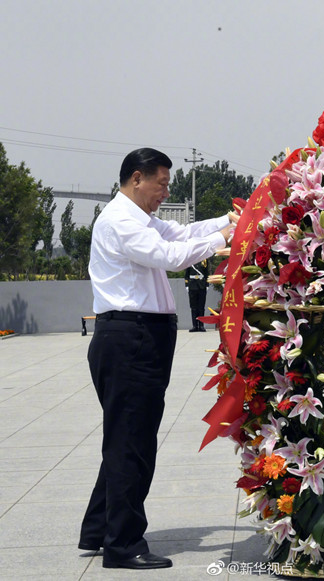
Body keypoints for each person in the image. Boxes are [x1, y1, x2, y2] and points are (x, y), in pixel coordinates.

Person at [78, 148, 235, 570]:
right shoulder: (120, 221)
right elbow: (172, 256)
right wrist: (223, 240)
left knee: (125, 437)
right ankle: (123, 544)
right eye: (161, 184)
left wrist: (229, 222)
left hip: (139, 336)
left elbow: (182, 233)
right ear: (135, 179)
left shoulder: (141, 219)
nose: (165, 192)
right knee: (133, 442)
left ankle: (99, 529)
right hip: (130, 339)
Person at [184, 259, 209, 332]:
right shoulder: (189, 260)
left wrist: (207, 284)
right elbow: (187, 274)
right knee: (193, 307)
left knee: (201, 307)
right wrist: (187, 285)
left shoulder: (203, 260)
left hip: (202, 286)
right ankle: (194, 326)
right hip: (192, 285)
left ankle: (201, 326)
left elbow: (206, 273)